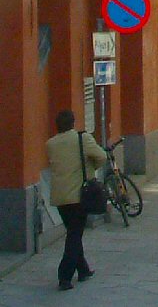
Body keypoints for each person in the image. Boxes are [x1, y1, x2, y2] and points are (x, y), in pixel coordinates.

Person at [45, 110, 106, 291]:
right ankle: (64, 277)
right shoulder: (82, 138)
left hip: (60, 196)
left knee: (73, 231)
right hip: (79, 195)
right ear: (73, 123)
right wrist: (91, 168)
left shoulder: (50, 144)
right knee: (74, 235)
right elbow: (101, 156)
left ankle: (83, 269)